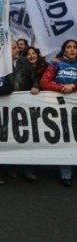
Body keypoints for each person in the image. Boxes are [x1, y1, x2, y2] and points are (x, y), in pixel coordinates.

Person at [40, 39, 77, 187]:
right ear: (64, 50)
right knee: (66, 139)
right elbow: (44, 83)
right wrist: (62, 88)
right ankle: (65, 173)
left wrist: (73, 86)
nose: (72, 50)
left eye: (75, 47)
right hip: (61, 109)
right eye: (69, 47)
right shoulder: (55, 64)